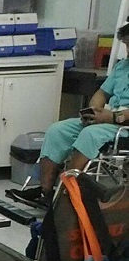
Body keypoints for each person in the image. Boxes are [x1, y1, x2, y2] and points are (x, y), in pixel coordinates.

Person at [11, 23, 129, 207]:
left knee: (89, 135)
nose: (128, 50)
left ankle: (65, 195)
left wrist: (114, 117)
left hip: (123, 125)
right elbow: (102, 93)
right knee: (57, 130)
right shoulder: (122, 67)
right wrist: (94, 110)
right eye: (127, 45)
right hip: (106, 119)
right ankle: (45, 192)